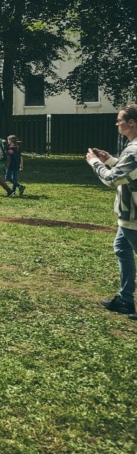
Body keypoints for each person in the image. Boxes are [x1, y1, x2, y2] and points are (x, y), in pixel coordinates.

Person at [87, 105, 137, 317]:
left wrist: (96, 163)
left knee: (124, 250)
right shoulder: (132, 148)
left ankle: (125, 299)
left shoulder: (134, 150)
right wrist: (110, 160)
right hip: (128, 216)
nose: (117, 124)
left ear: (132, 122)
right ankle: (125, 300)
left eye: (120, 120)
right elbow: (128, 172)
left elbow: (112, 179)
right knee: (121, 249)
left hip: (133, 216)